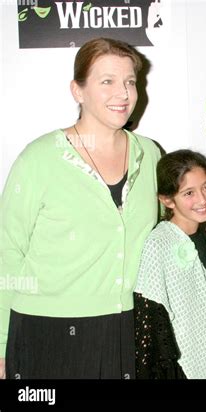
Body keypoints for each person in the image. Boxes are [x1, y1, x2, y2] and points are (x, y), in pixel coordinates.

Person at [0, 38, 161, 379]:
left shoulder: (149, 155)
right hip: (45, 332)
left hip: (126, 328)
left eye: (130, 81)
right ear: (78, 90)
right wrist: (0, 346)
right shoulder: (40, 158)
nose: (123, 93)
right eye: (107, 81)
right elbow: (7, 253)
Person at [134, 150, 206, 379]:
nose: (202, 199)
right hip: (180, 368)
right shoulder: (157, 243)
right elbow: (150, 322)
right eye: (189, 193)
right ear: (167, 200)